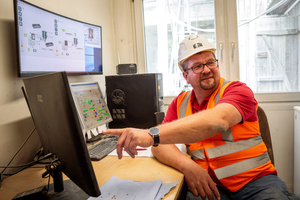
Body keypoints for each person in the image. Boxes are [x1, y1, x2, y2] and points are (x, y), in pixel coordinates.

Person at [103, 34, 298, 200]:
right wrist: (188, 166)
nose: (206, 70)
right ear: (185, 76)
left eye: (210, 62)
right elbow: (160, 145)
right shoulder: (179, 103)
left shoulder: (238, 90)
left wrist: (150, 134)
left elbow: (218, 120)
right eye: (197, 66)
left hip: (257, 182)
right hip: (207, 185)